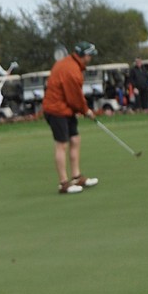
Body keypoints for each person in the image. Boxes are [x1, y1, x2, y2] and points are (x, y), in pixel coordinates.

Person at [42, 43, 100, 194]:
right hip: (56, 110)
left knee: (75, 139)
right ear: (84, 55)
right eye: (90, 55)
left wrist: (82, 109)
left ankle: (76, 177)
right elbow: (75, 97)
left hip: (66, 109)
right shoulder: (72, 70)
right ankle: (63, 183)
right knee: (62, 144)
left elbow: (73, 99)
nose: (91, 57)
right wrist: (86, 111)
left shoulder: (71, 64)